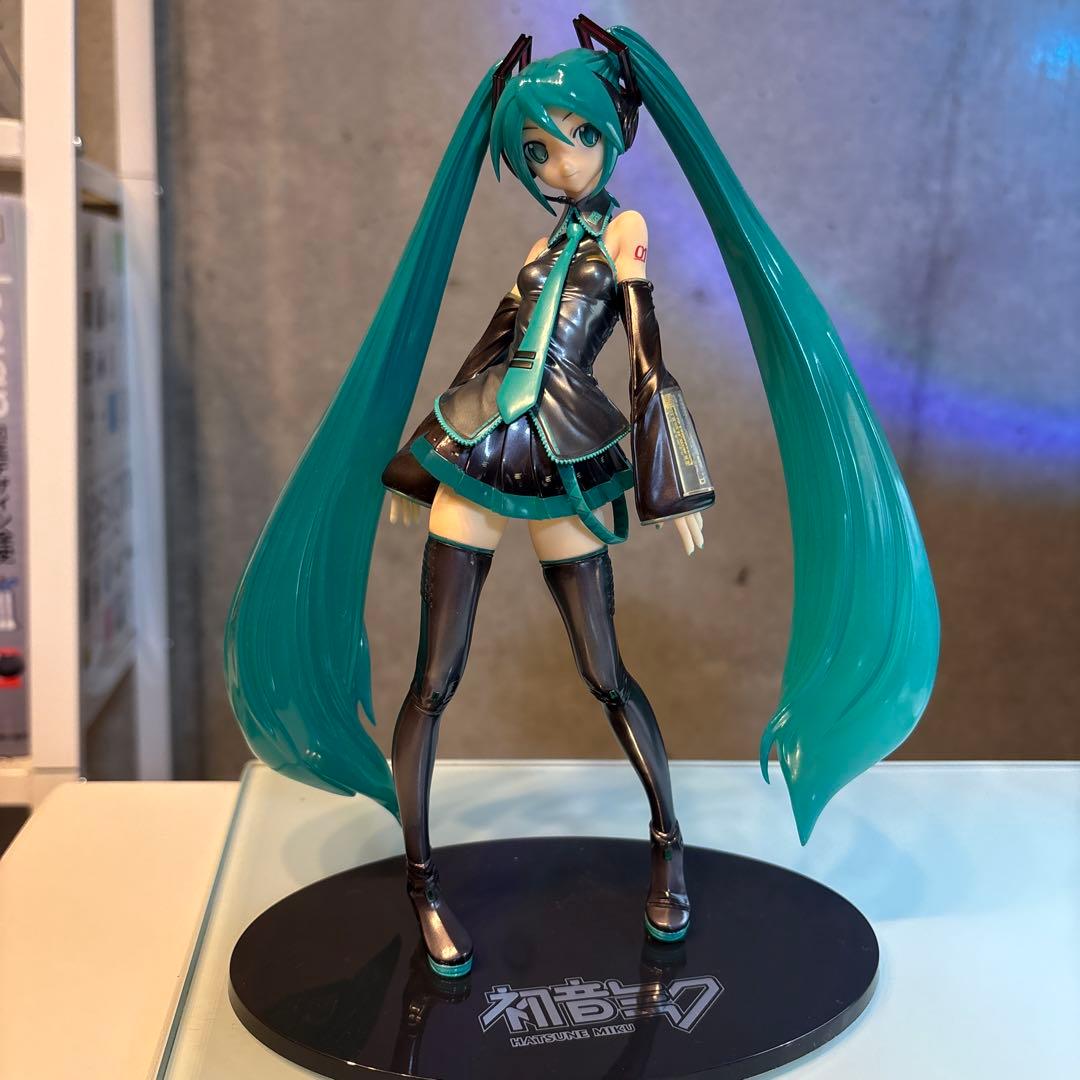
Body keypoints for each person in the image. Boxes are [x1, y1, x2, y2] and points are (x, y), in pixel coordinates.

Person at [224, 19, 940, 979]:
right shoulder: (538, 242)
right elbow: (490, 349)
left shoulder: (623, 231)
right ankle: (423, 885)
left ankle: (668, 848)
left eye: (576, 137)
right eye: (535, 150)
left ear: (613, 131)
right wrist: (419, 460)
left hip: (563, 447)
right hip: (485, 441)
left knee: (606, 674)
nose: (557, 163)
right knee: (433, 680)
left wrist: (671, 473)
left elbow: (645, 349)